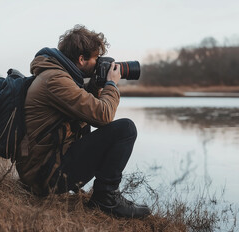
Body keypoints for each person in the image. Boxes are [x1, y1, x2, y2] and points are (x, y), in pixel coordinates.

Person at [15, 25, 151, 219]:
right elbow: (103, 115)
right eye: (96, 58)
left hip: (42, 168)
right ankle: (106, 198)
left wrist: (95, 85)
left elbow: (89, 117)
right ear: (81, 59)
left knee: (114, 129)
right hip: (44, 177)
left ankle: (106, 195)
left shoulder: (57, 74)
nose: (98, 63)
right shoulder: (56, 80)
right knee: (125, 129)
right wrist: (111, 84)